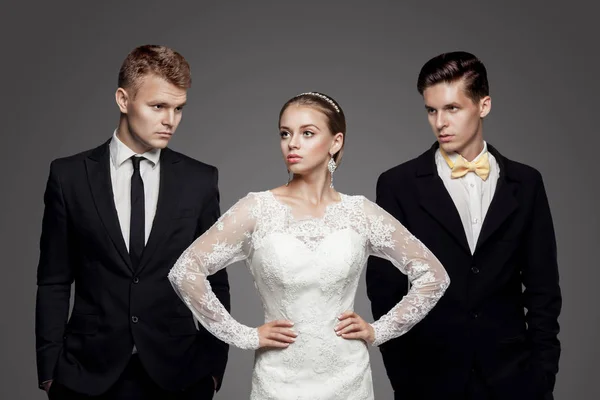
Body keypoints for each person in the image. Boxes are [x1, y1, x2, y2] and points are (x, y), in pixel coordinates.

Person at [168, 91, 450, 399]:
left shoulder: (360, 213)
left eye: (307, 133)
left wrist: (378, 331)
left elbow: (434, 276)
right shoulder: (256, 209)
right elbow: (185, 270)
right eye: (285, 133)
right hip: (279, 380)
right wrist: (244, 335)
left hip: (349, 379)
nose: (292, 143)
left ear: (336, 142)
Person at [35, 45, 230, 399]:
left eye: (178, 108)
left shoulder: (200, 180)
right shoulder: (69, 176)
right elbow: (53, 280)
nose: (170, 120)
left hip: (180, 374)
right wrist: (49, 370)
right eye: (158, 106)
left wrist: (213, 368)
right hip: (86, 375)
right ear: (123, 100)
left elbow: (214, 280)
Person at [366, 51, 562, 400]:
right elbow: (385, 290)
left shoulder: (526, 182)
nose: (440, 121)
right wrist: (405, 377)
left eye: (452, 108)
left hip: (515, 379)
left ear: (483, 105)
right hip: (430, 380)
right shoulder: (398, 185)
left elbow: (543, 287)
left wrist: (543, 374)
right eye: (431, 110)